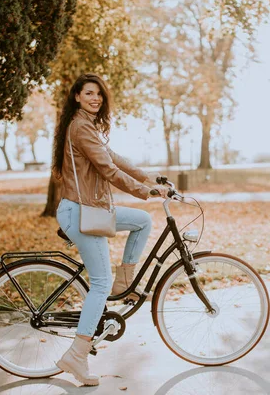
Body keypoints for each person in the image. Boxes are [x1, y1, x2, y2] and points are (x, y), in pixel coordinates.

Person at [51, 73, 169, 386]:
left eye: (99, 95)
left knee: (142, 221)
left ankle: (124, 282)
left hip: (93, 211)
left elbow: (114, 158)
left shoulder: (90, 127)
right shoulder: (80, 127)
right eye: (89, 93)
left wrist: (150, 178)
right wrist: (146, 192)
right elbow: (108, 169)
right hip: (81, 213)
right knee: (99, 283)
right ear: (77, 96)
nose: (95, 98)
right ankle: (76, 354)